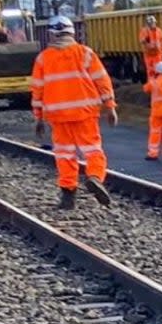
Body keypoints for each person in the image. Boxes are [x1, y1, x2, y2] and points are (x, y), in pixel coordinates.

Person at [31, 15, 118, 209]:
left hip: (58, 116)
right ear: (72, 33)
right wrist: (110, 107)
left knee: (64, 155)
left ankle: (68, 196)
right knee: (93, 150)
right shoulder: (85, 53)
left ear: (52, 35)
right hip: (85, 113)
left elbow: (37, 90)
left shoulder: (43, 59)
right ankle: (95, 177)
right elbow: (102, 81)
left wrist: (38, 118)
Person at [138, 14, 162, 83]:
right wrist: (148, 44)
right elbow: (142, 40)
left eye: (153, 23)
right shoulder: (145, 31)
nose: (152, 24)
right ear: (148, 24)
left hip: (158, 54)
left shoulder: (159, 31)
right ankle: (151, 84)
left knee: (159, 70)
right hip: (149, 55)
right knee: (150, 71)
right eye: (151, 23)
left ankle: (159, 83)